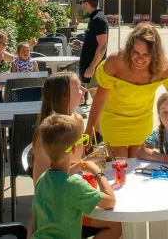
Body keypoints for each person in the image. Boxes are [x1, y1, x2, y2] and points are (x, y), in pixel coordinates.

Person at [29, 72, 119, 237]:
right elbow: (42, 186)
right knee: (120, 225)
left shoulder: (77, 119)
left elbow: (61, 169)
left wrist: (83, 163)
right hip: (62, 208)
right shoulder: (47, 135)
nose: (84, 90)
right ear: (64, 96)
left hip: (75, 191)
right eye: (78, 87)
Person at [85, 22, 168, 159]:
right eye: (135, 52)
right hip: (114, 121)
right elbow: (100, 99)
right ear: (129, 49)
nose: (140, 59)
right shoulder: (115, 61)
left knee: (137, 164)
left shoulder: (163, 67)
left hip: (142, 121)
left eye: (146, 54)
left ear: (155, 54)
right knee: (121, 166)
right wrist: (89, 129)